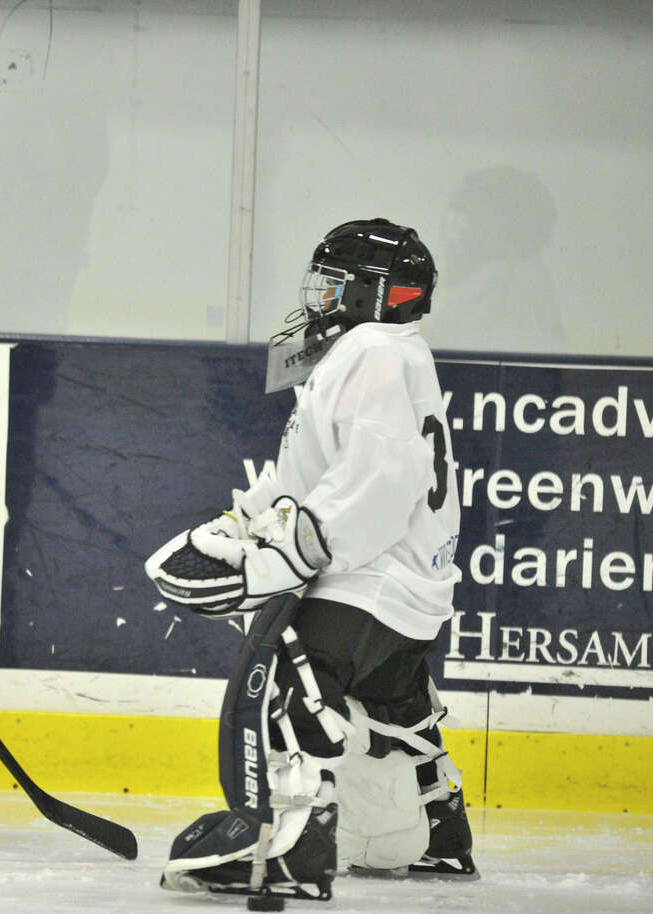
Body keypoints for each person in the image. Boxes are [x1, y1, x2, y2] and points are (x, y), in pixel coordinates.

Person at [145, 219, 476, 901]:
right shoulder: (386, 351)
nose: (318, 299)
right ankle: (430, 835)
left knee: (285, 690)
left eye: (331, 286)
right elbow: (316, 473)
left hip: (368, 582)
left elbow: (380, 480)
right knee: (390, 707)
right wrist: (243, 525)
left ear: (371, 294)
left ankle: (281, 853)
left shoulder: (375, 354)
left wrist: (281, 555)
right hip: (405, 592)